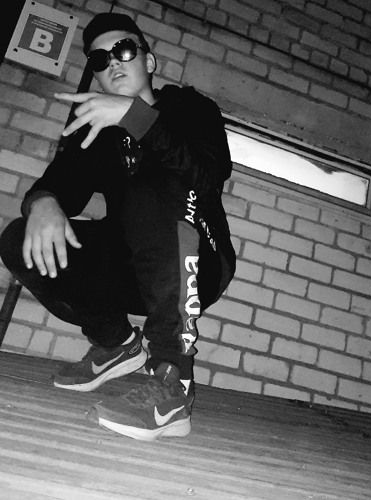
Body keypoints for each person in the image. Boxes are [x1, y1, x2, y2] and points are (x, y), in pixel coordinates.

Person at [0, 12, 236, 441]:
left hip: (196, 258)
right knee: (20, 237)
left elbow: (206, 175)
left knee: (151, 187)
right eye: (99, 59)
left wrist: (134, 116)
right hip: (130, 264)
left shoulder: (190, 108)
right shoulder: (95, 129)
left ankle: (172, 380)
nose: (112, 62)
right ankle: (115, 344)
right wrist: (43, 201)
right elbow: (60, 183)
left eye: (124, 50)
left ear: (149, 61)